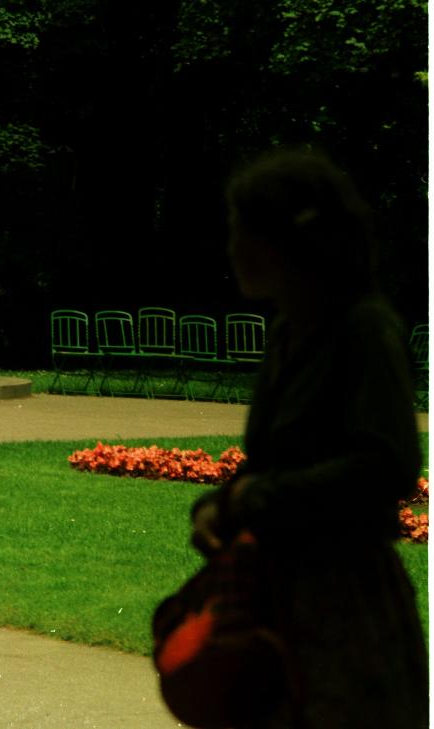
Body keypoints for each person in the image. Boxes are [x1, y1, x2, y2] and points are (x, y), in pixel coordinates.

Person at [189, 149, 427, 728]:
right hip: (280, 603)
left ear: (288, 241)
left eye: (242, 230)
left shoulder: (362, 330)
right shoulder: (289, 330)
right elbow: (275, 459)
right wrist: (219, 504)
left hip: (345, 614)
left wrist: (255, 500)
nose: (232, 247)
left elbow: (388, 465)